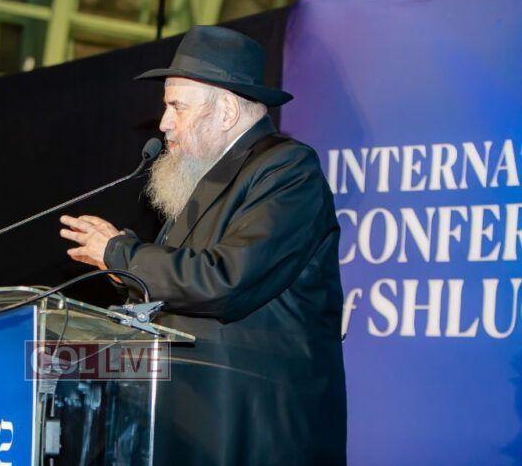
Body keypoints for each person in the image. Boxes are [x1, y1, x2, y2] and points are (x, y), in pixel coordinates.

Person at [59, 25, 347, 465]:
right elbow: (183, 277)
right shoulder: (202, 178)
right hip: (193, 423)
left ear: (226, 110)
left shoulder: (288, 171)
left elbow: (225, 279)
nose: (163, 123)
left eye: (177, 106)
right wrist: (122, 271)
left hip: (256, 431)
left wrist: (120, 254)